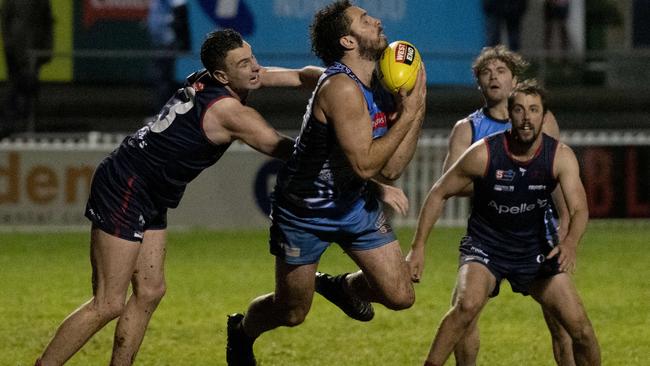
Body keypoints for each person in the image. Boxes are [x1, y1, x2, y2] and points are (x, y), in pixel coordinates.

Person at [34, 28, 328, 366]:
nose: (255, 67)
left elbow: (294, 76)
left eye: (253, 57)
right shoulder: (228, 112)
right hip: (127, 184)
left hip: (150, 190)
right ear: (221, 75)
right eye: (244, 63)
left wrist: (336, 79)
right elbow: (282, 147)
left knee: (150, 290)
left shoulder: (217, 77)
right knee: (109, 303)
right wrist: (340, 143)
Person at [225, 1, 427, 365]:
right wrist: (410, 113)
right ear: (348, 41)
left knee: (400, 295)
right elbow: (367, 166)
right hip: (304, 212)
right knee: (291, 312)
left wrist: (417, 106)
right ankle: (241, 331)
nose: (377, 20)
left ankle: (342, 287)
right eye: (366, 20)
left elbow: (393, 166)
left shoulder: (378, 88)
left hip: (353, 206)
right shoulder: (341, 89)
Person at [407, 80, 601, 366]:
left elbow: (580, 208)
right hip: (486, 246)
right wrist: (418, 247)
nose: (526, 117)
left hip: (534, 251)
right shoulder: (484, 153)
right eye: (519, 110)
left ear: (544, 116)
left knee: (581, 330)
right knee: (466, 306)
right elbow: (439, 192)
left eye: (534, 110)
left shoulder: (560, 155)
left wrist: (571, 242)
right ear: (509, 114)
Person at [441, 45, 575, 366]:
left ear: (514, 80)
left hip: (538, 236)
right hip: (489, 236)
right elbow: (449, 184)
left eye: (501, 71)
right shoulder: (467, 129)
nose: (493, 77)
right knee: (465, 310)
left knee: (562, 321)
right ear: (479, 84)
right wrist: (500, 181)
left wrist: (567, 233)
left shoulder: (543, 120)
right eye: (486, 73)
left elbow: (558, 179)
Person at [0, 0, 54, 136]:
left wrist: (47, 48)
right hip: (15, 48)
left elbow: (48, 22)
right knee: (14, 85)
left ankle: (29, 125)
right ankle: (9, 124)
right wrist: (8, 44)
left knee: (32, 85)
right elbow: (5, 18)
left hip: (35, 49)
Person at [147, 0, 191, 114]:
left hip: (171, 44)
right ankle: (161, 117)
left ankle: (168, 117)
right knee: (159, 80)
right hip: (161, 43)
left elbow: (180, 9)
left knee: (170, 82)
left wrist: (179, 40)